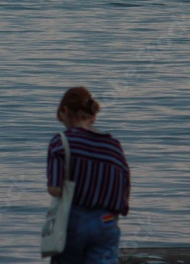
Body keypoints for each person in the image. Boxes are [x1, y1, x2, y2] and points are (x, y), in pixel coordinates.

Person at [46, 87, 130, 264]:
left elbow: (54, 189)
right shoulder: (114, 146)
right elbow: (124, 188)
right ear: (92, 114)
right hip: (106, 222)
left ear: (65, 112)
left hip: (73, 222)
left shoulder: (61, 142)